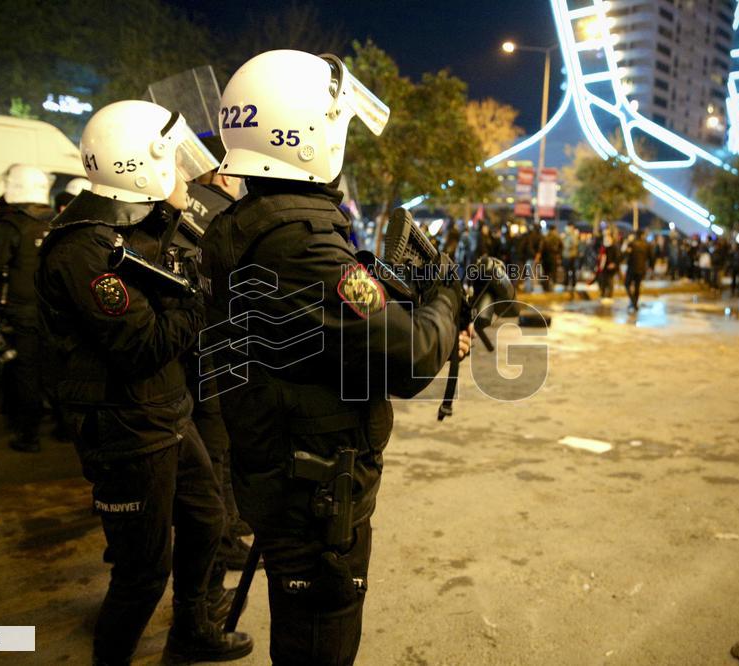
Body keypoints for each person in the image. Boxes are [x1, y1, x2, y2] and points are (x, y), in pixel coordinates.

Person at [201, 50, 472, 665]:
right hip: (312, 496)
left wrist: (420, 310)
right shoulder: (297, 247)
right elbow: (405, 361)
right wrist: (446, 295)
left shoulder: (246, 225)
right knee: (320, 644)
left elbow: (335, 338)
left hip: (285, 469)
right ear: (306, 134)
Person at [35, 100, 252, 665]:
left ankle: (192, 631)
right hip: (125, 428)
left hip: (167, 413)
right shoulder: (85, 248)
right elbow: (143, 345)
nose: (185, 176)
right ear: (142, 168)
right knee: (141, 574)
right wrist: (197, 293)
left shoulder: (141, 224)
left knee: (207, 520)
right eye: (174, 164)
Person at [176, 134, 253, 570]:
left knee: (208, 441)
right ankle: (224, 538)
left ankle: (227, 525)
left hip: (188, 341)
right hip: (220, 345)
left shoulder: (182, 203)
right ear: (223, 171)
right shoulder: (226, 213)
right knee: (220, 444)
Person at [0, 164, 56, 452]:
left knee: (26, 371)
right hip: (55, 313)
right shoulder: (58, 221)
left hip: (24, 313)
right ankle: (64, 428)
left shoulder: (11, 225)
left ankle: (28, 434)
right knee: (55, 367)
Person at [623, 232, 650, 311]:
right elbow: (650, 256)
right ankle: (634, 303)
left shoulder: (631, 244)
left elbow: (625, 255)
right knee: (637, 286)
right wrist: (651, 267)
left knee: (627, 284)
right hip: (641, 269)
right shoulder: (646, 245)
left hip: (631, 268)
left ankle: (633, 302)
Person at [540, 226, 562, 292]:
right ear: (554, 229)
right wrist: (559, 254)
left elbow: (541, 248)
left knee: (545, 272)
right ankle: (552, 286)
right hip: (553, 257)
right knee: (553, 272)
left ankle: (545, 287)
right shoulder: (557, 237)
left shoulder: (545, 237)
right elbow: (561, 246)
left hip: (545, 258)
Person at [562, 223, 580, 297]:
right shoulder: (566, 235)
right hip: (565, 255)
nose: (567, 228)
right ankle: (566, 284)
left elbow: (575, 244)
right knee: (566, 270)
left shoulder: (573, 235)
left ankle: (573, 284)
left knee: (572, 270)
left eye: (569, 227)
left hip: (571, 256)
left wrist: (568, 245)